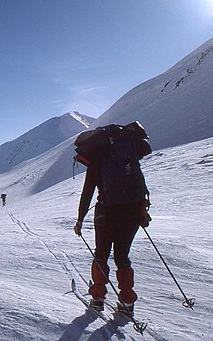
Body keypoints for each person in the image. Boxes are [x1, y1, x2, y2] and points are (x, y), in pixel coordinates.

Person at [73, 123, 151, 317]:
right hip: (132, 212)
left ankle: (98, 299)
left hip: (107, 213)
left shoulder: (98, 157)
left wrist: (80, 219)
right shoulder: (130, 155)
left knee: (101, 255)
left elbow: (88, 191)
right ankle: (127, 302)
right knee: (122, 257)